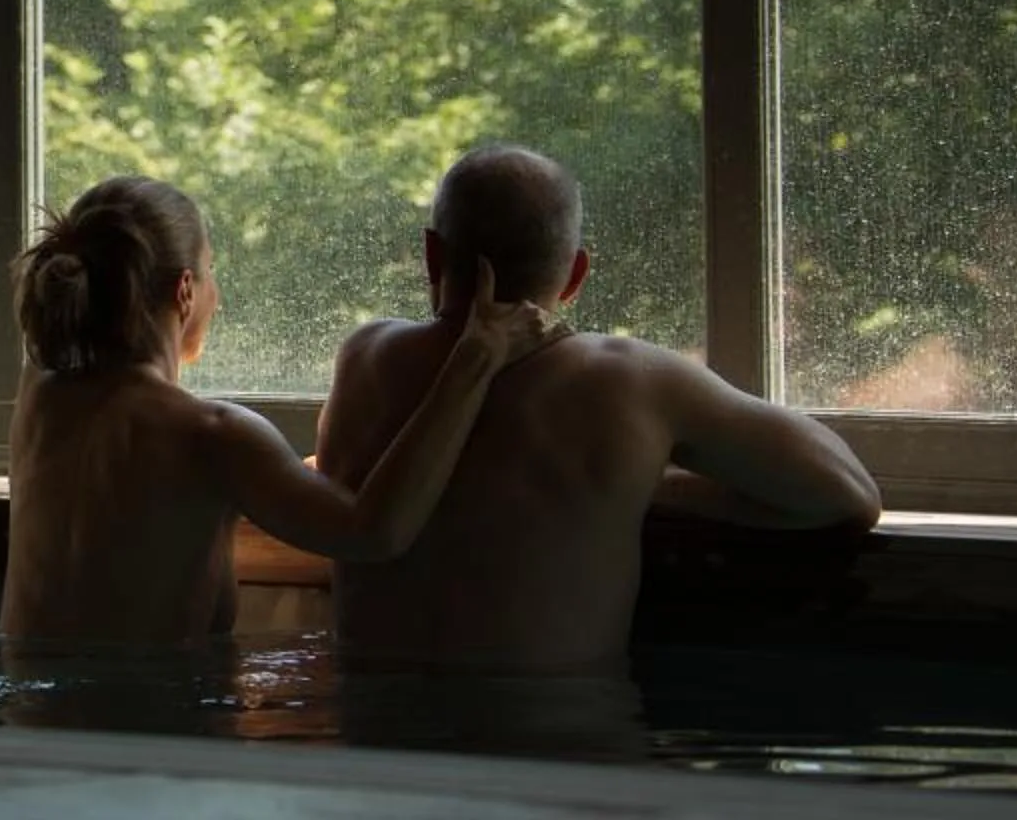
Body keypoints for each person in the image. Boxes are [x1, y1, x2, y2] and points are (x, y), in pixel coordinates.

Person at [315, 143, 882, 673]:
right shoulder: (627, 379)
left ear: (432, 255)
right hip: (560, 744)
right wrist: (646, 484)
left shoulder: (365, 358)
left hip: (380, 752)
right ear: (577, 274)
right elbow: (847, 495)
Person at [1, 176, 559, 651]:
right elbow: (375, 533)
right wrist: (474, 360)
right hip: (151, 741)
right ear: (186, 292)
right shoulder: (211, 434)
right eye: (212, 270)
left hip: (30, 730)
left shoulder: (39, 395)